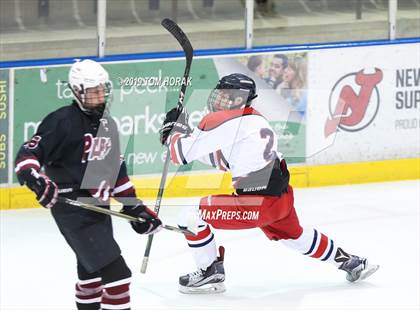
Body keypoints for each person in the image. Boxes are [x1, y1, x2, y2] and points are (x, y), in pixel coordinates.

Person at [159, 73, 379, 294]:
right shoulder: (254, 118)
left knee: (190, 214)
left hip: (256, 205)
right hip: (280, 199)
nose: (220, 100)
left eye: (228, 96)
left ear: (240, 100)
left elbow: (180, 154)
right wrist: (182, 135)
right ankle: (351, 262)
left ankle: (209, 271)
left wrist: (173, 132)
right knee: (297, 237)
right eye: (220, 94)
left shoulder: (223, 120)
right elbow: (225, 160)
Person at [14, 59, 162, 310]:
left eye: (102, 89)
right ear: (77, 91)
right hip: (72, 209)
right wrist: (37, 180)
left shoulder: (107, 123)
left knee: (91, 276)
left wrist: (135, 208)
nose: (99, 95)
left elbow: (116, 173)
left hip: (98, 208)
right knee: (118, 276)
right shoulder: (61, 121)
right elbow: (27, 155)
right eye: (93, 91)